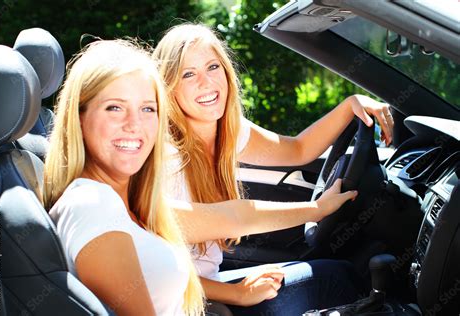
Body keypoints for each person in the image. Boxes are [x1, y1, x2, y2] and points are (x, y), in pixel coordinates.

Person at [44, 39, 359, 315]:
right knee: (341, 279)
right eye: (114, 108)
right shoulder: (94, 205)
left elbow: (234, 214)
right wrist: (317, 210)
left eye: (147, 109)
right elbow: (233, 220)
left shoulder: (127, 198)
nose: (134, 125)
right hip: (206, 303)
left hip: (207, 298)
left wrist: (348, 108)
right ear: (78, 115)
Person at [153, 23, 394, 315]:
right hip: (184, 303)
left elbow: (298, 150)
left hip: (205, 286)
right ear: (169, 87)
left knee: (335, 273)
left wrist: (349, 106)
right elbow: (157, 272)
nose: (206, 83)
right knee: (337, 280)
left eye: (212, 67)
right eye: (188, 74)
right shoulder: (168, 158)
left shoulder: (227, 131)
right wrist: (238, 294)